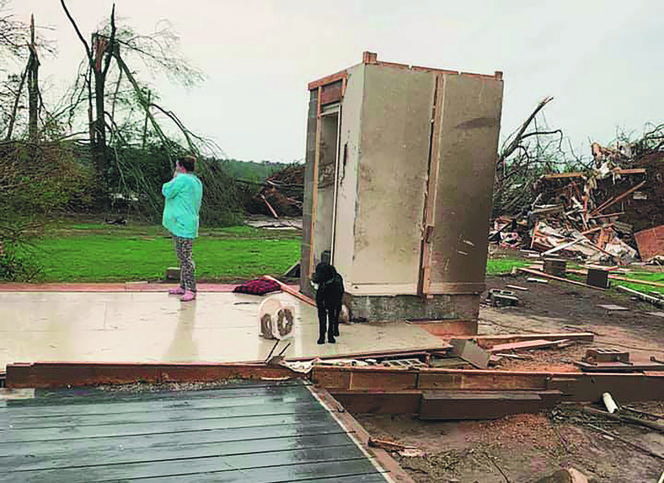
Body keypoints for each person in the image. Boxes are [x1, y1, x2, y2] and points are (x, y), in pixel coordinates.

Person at [162, 155, 203, 301]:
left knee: (185, 258)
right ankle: (183, 286)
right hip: (186, 223)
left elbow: (167, 191)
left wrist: (174, 177)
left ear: (180, 166)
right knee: (182, 256)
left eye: (176, 165)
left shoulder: (181, 179)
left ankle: (191, 289)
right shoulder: (195, 181)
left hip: (183, 224)